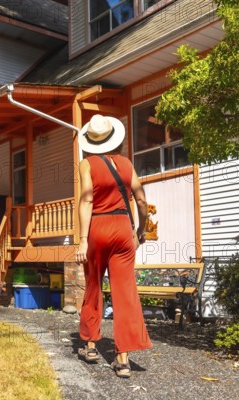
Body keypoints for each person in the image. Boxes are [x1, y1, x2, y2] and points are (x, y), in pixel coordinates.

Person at [75, 114, 152, 378]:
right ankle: (123, 360)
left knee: (93, 286)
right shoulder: (127, 164)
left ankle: (92, 345)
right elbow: (141, 200)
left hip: (97, 228)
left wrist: (83, 240)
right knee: (125, 291)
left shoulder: (86, 164)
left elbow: (86, 201)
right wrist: (140, 230)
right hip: (122, 229)